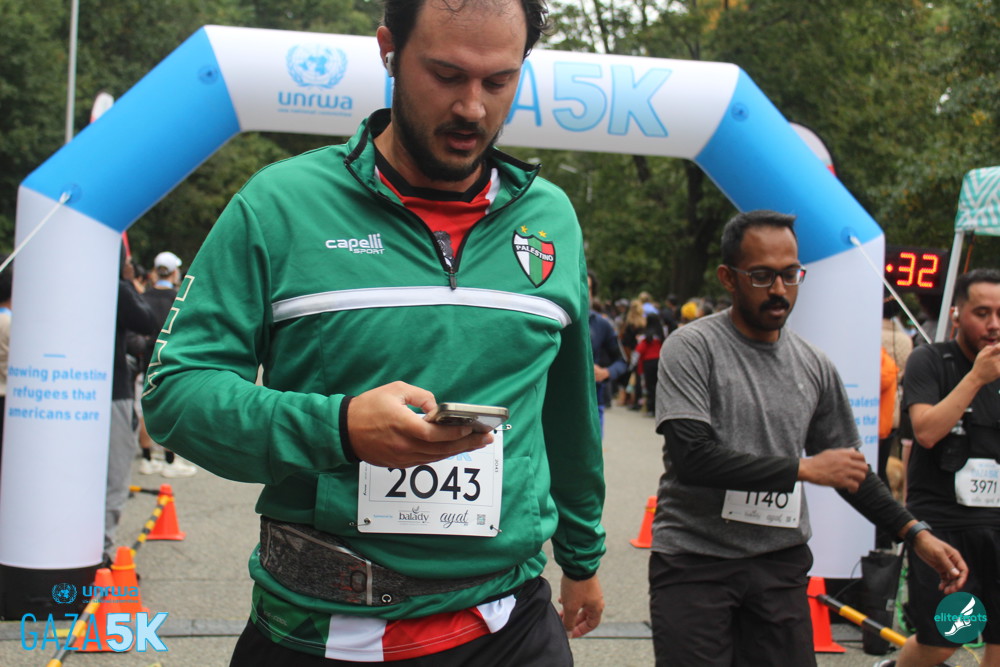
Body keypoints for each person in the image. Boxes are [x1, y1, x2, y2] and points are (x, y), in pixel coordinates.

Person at [142, 0, 606, 663]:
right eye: (446, 75)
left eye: (499, 80)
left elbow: (568, 412)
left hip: (509, 622)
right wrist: (339, 428)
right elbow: (176, 393)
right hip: (323, 629)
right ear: (389, 50)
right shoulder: (279, 205)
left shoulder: (551, 217)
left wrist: (583, 556)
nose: (472, 107)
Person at [650, 209, 968, 667]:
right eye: (762, 276)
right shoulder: (693, 347)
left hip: (778, 562)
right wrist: (803, 469)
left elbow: (850, 473)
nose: (779, 290)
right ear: (728, 277)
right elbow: (692, 458)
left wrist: (915, 533)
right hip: (695, 560)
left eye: (790, 274)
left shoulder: (814, 364)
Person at [888, 268, 1000, 667]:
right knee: (947, 640)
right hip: (946, 529)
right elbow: (927, 432)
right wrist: (976, 378)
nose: (994, 324)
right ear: (956, 314)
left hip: (997, 523)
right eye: (982, 313)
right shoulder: (930, 360)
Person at [106, 249, 158, 564]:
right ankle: (102, 553)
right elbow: (146, 320)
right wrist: (126, 283)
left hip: (56, 392)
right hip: (111, 391)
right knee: (114, 474)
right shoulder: (113, 286)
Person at [136, 251, 198, 478]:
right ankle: (170, 461)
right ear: (173, 272)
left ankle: (147, 459)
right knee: (169, 407)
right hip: (170, 360)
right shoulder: (179, 298)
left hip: (145, 358)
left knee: (144, 408)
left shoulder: (143, 296)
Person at [589, 271, 626, 432]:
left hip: (593, 403)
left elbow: (622, 362)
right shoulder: (555, 322)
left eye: (588, 288)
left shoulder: (602, 325)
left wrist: (606, 372)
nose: (583, 292)